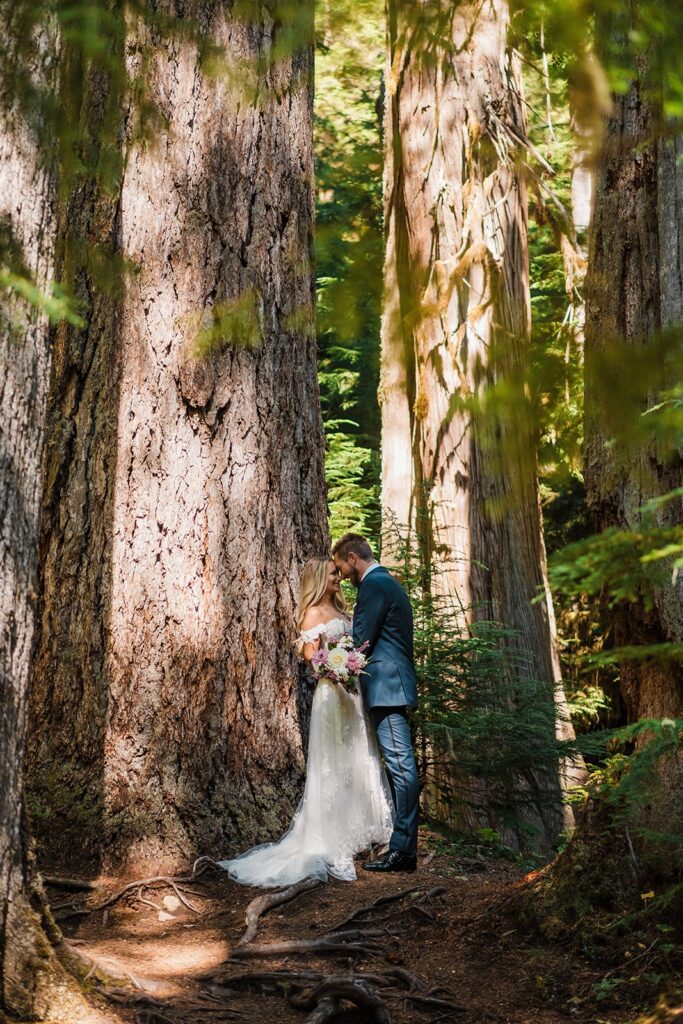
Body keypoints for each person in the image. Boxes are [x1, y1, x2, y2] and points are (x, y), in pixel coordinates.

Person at [217, 556, 393, 887]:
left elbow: (355, 645)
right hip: (331, 694)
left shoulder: (344, 612)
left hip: (353, 693)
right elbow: (314, 660)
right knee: (332, 761)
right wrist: (336, 670)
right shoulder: (312, 615)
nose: (338, 578)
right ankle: (332, 836)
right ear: (317, 579)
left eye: (337, 573)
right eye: (331, 574)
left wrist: (352, 666)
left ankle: (362, 829)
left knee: (357, 755)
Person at [333, 533, 420, 872]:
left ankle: (404, 851)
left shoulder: (374, 585)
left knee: (402, 767)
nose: (342, 576)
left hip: (387, 688)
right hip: (390, 686)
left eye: (342, 568)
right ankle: (403, 846)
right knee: (401, 766)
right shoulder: (389, 583)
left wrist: (333, 662)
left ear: (353, 558)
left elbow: (362, 640)